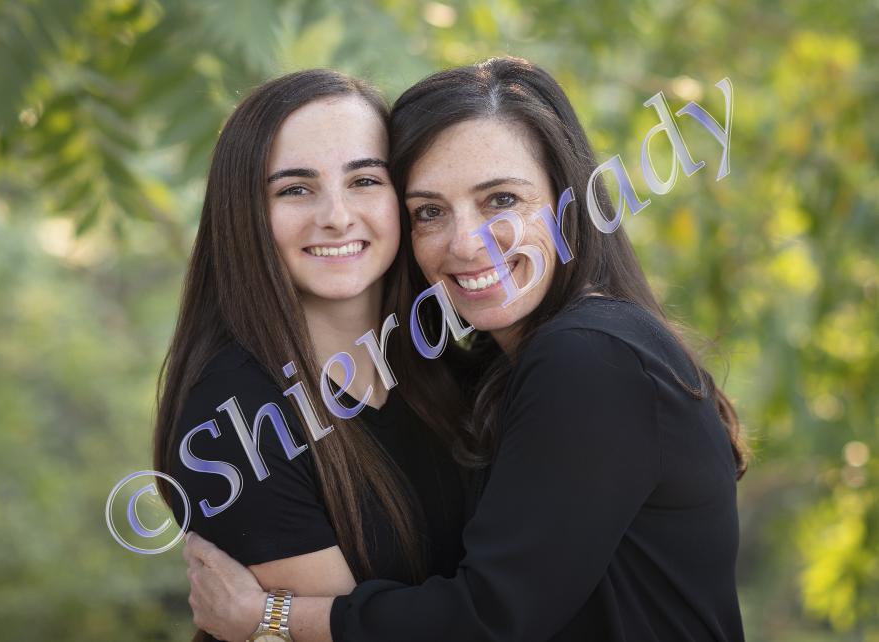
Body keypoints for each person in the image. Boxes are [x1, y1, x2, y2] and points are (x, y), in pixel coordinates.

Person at [183, 56, 748, 642]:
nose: (467, 244)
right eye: (429, 212)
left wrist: (267, 617)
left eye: (501, 200)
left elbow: (491, 617)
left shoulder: (587, 358)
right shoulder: (476, 370)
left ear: (568, 201)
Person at [152, 70, 471, 641]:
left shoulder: (449, 362)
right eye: (294, 189)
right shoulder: (234, 420)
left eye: (365, 180)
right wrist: (273, 621)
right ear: (245, 212)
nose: (337, 216)